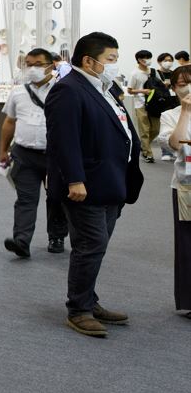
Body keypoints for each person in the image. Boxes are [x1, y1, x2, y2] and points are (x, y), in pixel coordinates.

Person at [45, 31, 145, 338]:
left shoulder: (106, 87)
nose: (115, 64)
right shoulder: (68, 90)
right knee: (91, 244)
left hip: (112, 181)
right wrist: (75, 178)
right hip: (85, 184)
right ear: (89, 61)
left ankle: (88, 299)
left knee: (97, 245)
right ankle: (79, 309)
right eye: (110, 59)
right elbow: (64, 141)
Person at [0, 48, 67, 258]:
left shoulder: (63, 90)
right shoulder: (18, 92)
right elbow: (9, 122)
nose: (32, 68)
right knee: (25, 199)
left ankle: (56, 237)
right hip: (24, 154)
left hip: (56, 155)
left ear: (50, 66)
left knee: (56, 198)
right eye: (28, 64)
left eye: (38, 64)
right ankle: (21, 241)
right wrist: (3, 150)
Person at [154, 65, 191, 316]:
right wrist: (186, 112)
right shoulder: (170, 115)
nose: (187, 88)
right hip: (186, 185)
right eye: (182, 84)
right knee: (188, 243)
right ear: (174, 88)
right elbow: (175, 144)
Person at [125, 49, 159, 165]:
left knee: (156, 129)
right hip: (140, 104)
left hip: (154, 104)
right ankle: (148, 153)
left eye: (149, 57)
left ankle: (143, 146)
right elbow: (130, 90)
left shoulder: (153, 71)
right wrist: (142, 91)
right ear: (139, 60)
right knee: (144, 129)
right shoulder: (134, 73)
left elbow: (159, 85)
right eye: (145, 58)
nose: (148, 60)